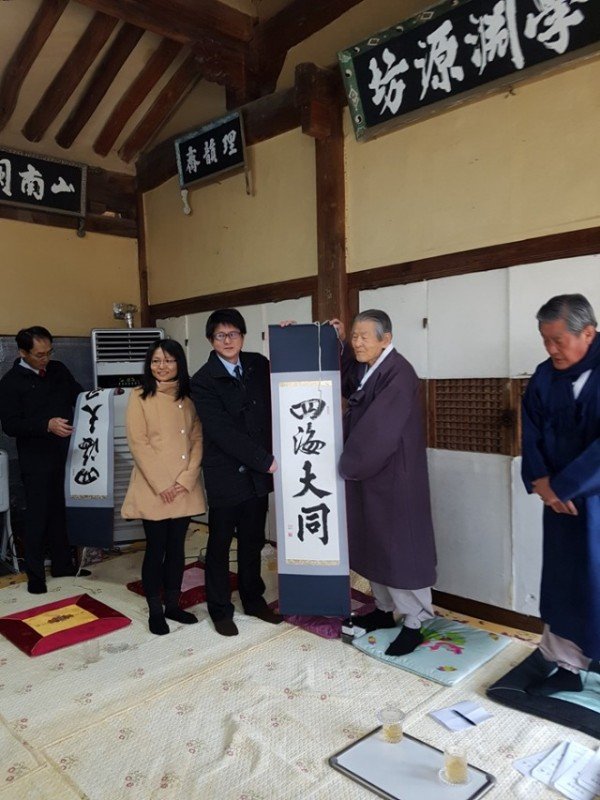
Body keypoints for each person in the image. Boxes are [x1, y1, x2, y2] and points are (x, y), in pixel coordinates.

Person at [332, 310, 437, 656]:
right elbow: (350, 384)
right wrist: (338, 344)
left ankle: (414, 621)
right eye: (354, 336)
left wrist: (350, 462)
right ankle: (382, 609)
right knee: (374, 540)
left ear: (385, 339)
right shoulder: (369, 365)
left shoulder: (399, 374)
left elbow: (380, 429)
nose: (357, 342)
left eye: (364, 337)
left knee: (400, 548)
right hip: (371, 472)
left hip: (395, 476)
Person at [521, 293, 600, 694]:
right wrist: (540, 482)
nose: (551, 349)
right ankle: (567, 667)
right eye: (544, 339)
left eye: (558, 340)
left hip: (593, 501)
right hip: (560, 505)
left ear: (588, 333)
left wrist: (564, 487)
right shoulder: (543, 376)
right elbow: (530, 431)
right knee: (564, 582)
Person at [191, 308, 282, 636]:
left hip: (257, 474)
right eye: (220, 335)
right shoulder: (202, 380)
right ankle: (219, 608)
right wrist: (264, 459)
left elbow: (287, 384)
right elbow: (221, 431)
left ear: (243, 336)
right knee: (219, 543)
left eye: (233, 334)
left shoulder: (258, 363)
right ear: (210, 340)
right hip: (227, 473)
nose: (228, 340)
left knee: (253, 540)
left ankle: (253, 600)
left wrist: (287, 339)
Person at [122, 339, 206, 636]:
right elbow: (138, 443)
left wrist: (184, 480)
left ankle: (173, 604)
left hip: (184, 486)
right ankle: (155, 610)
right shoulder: (139, 396)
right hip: (153, 485)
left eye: (169, 361)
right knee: (155, 548)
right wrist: (163, 485)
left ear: (179, 364)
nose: (162, 366)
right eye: (156, 361)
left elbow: (197, 439)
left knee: (177, 547)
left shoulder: (190, 397)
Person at [0, 326, 83, 594]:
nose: (45, 358)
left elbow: (79, 395)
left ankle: (63, 565)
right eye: (39, 355)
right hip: (35, 459)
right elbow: (11, 425)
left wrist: (104, 397)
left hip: (66, 452)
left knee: (62, 510)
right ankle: (35, 575)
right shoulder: (11, 382)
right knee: (37, 515)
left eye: (49, 352)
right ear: (23, 352)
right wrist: (45, 425)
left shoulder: (58, 370)